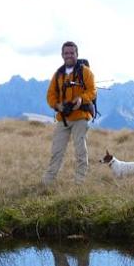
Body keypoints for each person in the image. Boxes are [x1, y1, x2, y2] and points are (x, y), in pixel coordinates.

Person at [42, 41, 96, 188]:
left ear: (77, 54)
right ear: (62, 55)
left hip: (81, 117)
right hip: (63, 119)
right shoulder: (58, 74)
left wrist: (81, 99)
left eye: (72, 53)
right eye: (66, 53)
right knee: (56, 151)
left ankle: (80, 183)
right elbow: (50, 95)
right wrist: (57, 105)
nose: (69, 55)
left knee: (80, 151)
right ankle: (47, 183)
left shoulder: (85, 72)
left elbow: (92, 90)